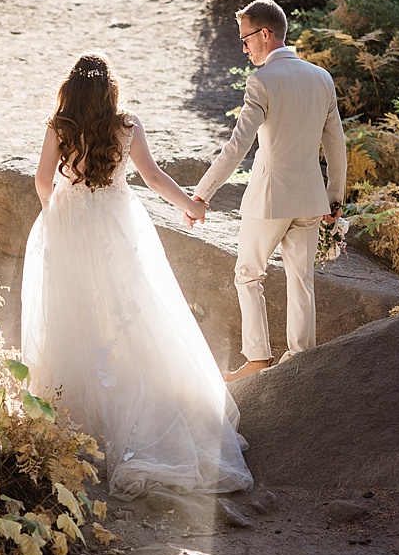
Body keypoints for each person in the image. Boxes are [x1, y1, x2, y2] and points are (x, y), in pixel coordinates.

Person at [20, 52, 249, 497]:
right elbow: (153, 176)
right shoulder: (127, 125)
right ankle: (139, 401)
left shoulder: (59, 125)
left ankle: (74, 413)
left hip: (70, 223)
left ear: (72, 86)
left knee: (74, 310)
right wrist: (190, 206)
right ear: (109, 87)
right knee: (130, 306)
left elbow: (42, 179)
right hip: (116, 223)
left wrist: (55, 217)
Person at [187, 0, 348, 380]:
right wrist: (335, 198)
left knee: (248, 274)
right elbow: (337, 146)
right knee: (302, 279)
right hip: (311, 198)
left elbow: (237, 147)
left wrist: (201, 194)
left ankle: (258, 359)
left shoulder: (262, 81)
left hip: (270, 198)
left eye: (245, 40)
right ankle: (300, 359)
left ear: (265, 34)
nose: (243, 49)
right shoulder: (321, 78)